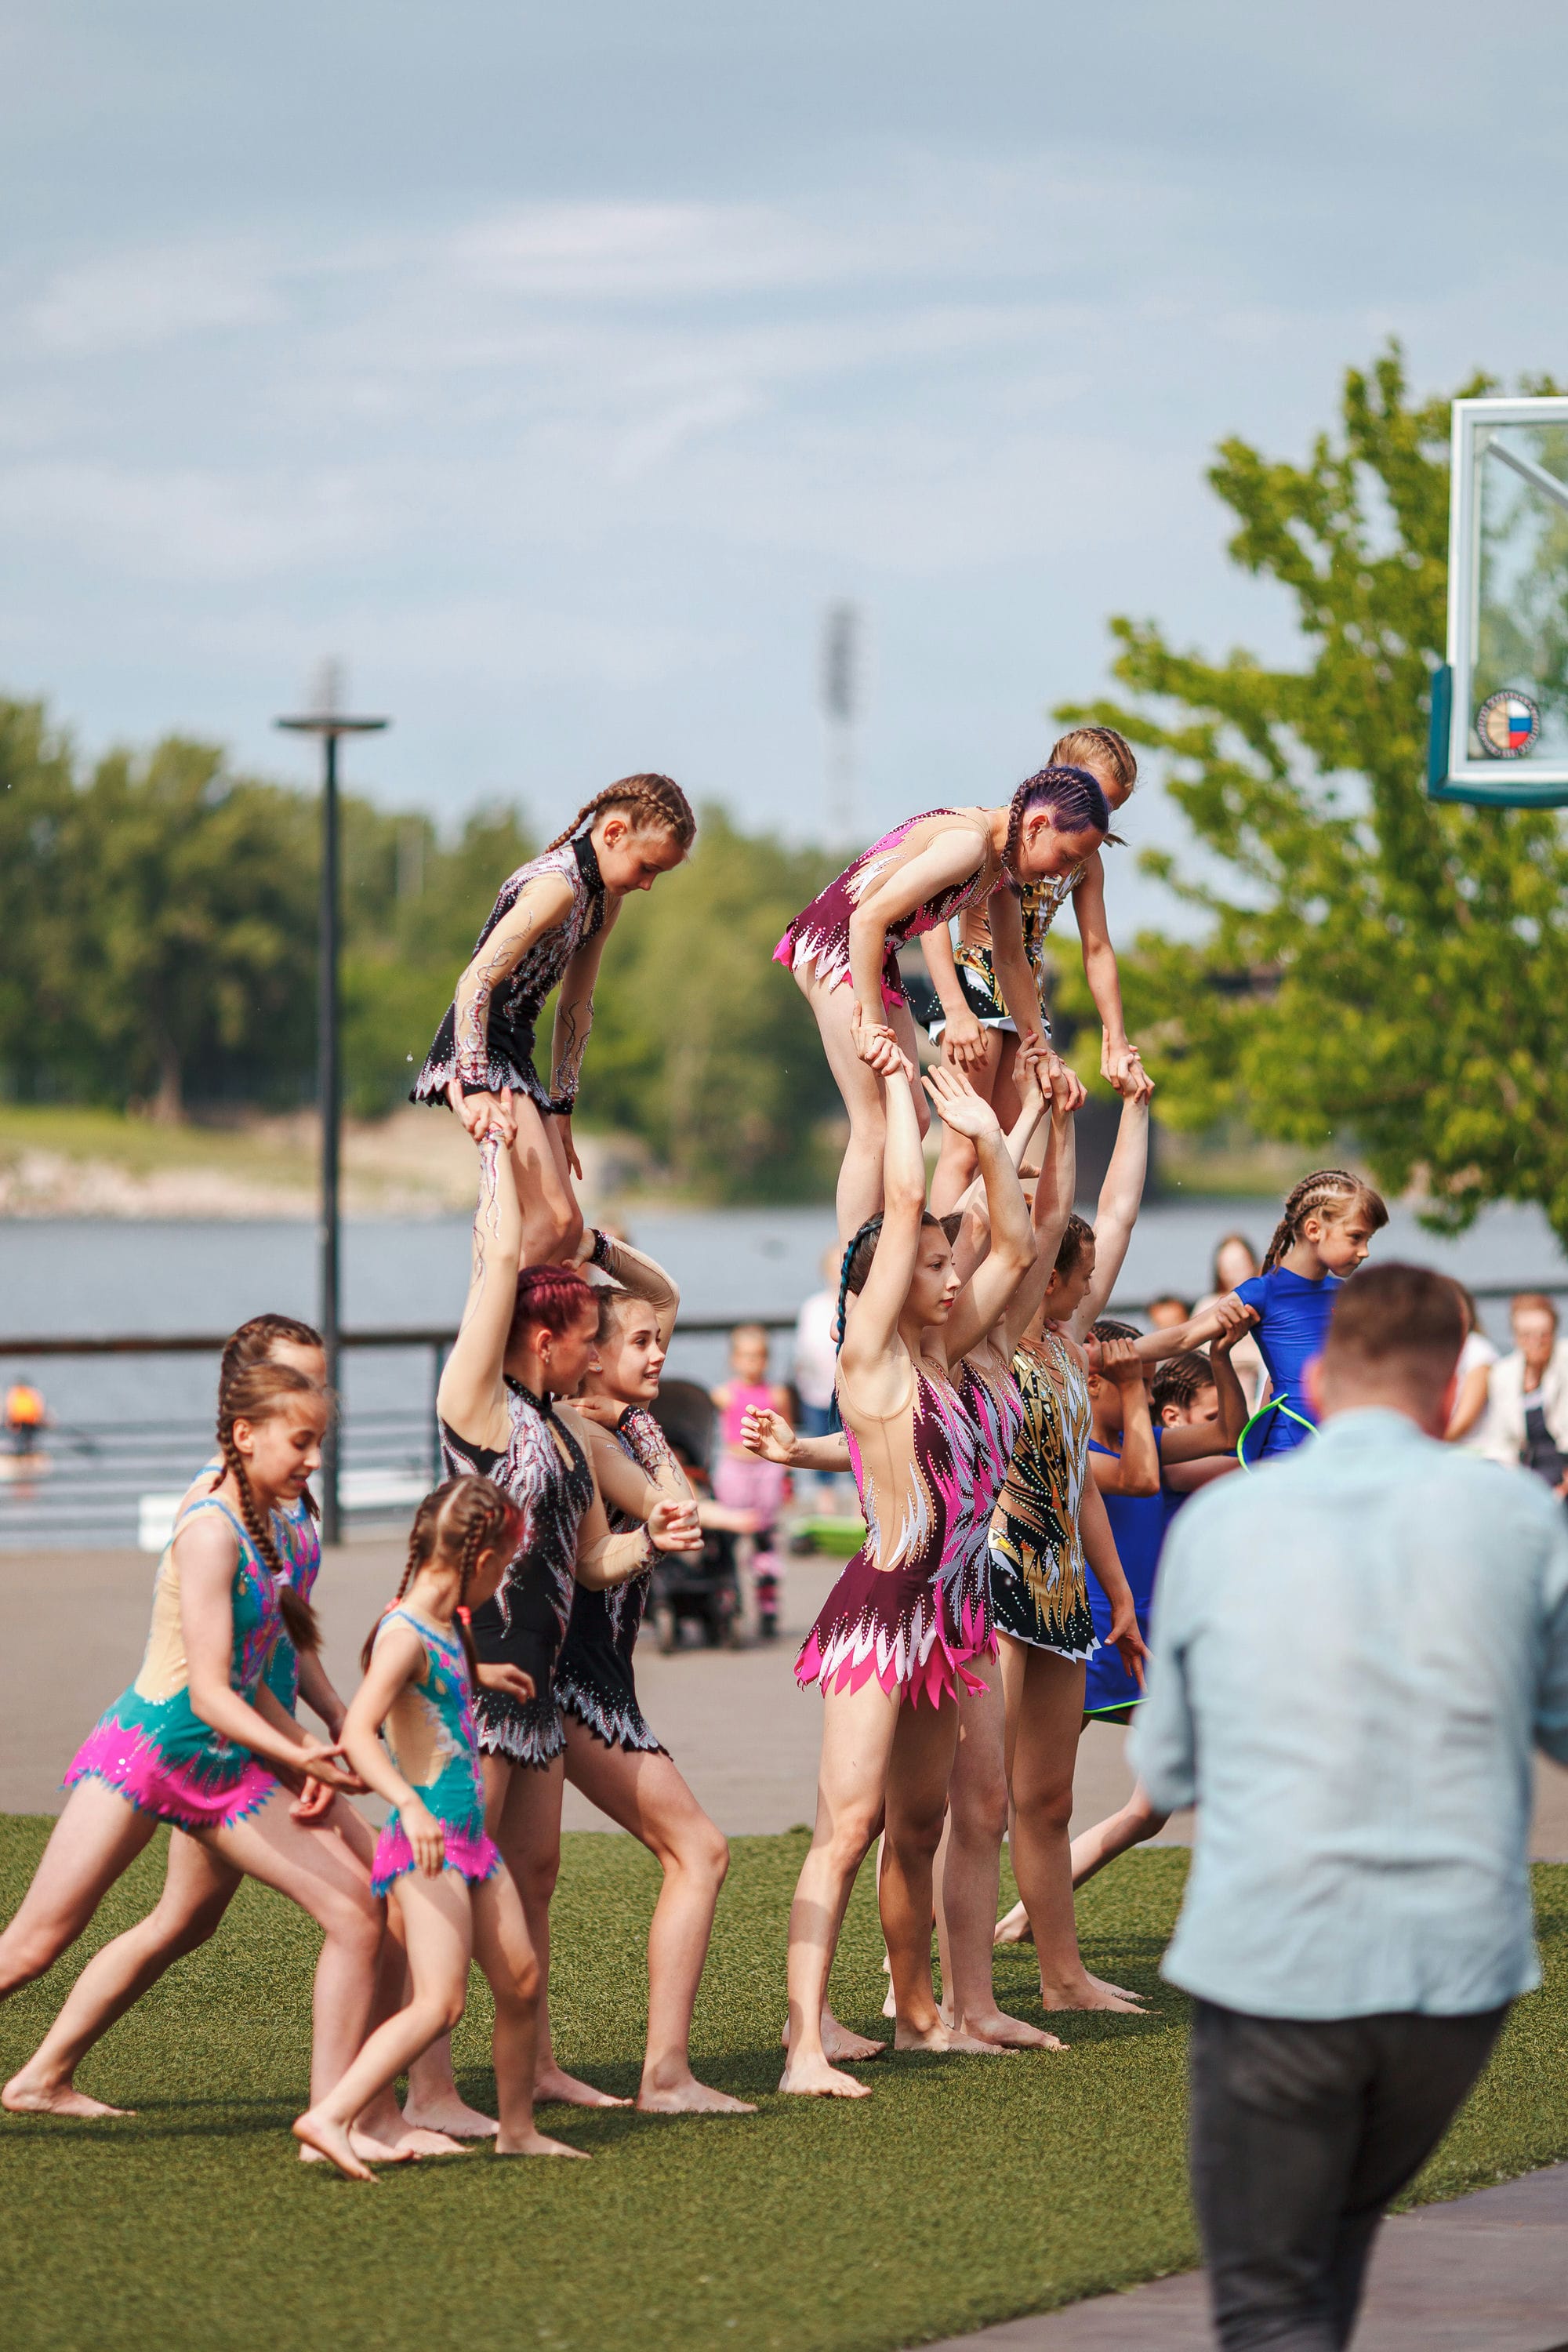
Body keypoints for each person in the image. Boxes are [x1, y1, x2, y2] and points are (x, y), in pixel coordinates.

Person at [1133, 1262, 1568, 2352]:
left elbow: (1169, 1768)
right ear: (1449, 1392)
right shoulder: (1522, 1518)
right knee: (1333, 2253)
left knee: (1271, 2305)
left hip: (1275, 1960)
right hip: (1455, 1974)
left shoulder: (1224, 1524)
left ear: (1318, 1382)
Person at [0, 1363, 384, 2142]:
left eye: (319, 1441)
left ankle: (334, 2117)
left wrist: (311, 1741)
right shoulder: (209, 1530)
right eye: (301, 1441)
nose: (315, 1459)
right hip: (154, 1749)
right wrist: (302, 1756)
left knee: (350, 1909)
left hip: (222, 1763)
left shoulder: (266, 1525)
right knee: (32, 1947)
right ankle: (340, 2115)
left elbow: (254, 1671)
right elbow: (209, 1692)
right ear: (245, 1435)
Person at [780, 1058, 1037, 2096]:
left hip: (951, 1620)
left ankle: (921, 2014)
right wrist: (897, 1094)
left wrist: (993, 1136)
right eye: (931, 1265)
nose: (949, 1278)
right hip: (883, 1613)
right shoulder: (871, 1362)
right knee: (847, 1829)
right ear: (884, 1281)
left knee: (918, 1829)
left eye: (944, 1265)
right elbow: (897, 1200)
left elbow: (1015, 1246)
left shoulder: (945, 1353)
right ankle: (803, 2046)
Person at [437, 1131, 702, 2108]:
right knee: (449, 1875)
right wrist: (497, 1154)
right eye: (589, 1337)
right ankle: (424, 2088)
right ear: (543, 1339)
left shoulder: (563, 1429)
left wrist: (652, 1542)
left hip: (539, 1682)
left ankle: (536, 2070)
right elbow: (496, 1264)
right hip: (473, 1669)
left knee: (534, 1872)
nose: (601, 1354)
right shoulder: (476, 1404)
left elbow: (591, 1562)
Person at [294, 1475, 588, 2177]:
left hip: (470, 1842)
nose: (502, 1581)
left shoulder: (445, 1619)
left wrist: (486, 1675)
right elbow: (360, 1732)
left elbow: (437, 1679)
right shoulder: (403, 1633)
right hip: (426, 1845)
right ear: (479, 1559)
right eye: (504, 1565)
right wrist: (408, 1803)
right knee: (439, 2003)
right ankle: (331, 2116)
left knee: (520, 1980)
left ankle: (517, 2131)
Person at [554, 1235, 756, 2116]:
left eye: (657, 1343)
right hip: (574, 1683)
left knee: (525, 1875)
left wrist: (595, 1244)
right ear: (590, 1356)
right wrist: (643, 1434)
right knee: (698, 1849)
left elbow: (662, 1294)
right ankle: (664, 2074)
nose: (658, 1353)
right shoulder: (582, 1432)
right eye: (638, 1344)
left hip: (598, 1679)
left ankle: (532, 2067)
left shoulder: (610, 1424)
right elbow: (670, 1512)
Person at [774, 767, 1106, 1240]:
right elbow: (866, 919)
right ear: (1037, 825)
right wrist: (869, 1022)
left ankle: (890, 1248)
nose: (1064, 873)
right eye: (1067, 856)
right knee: (876, 1125)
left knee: (914, 1118)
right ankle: (857, 1268)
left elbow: (1010, 960)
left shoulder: (1002, 869)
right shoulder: (968, 845)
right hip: (835, 945)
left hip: (876, 955)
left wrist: (1043, 1053)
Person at [987, 1083, 1152, 2013]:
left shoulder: (1063, 1347)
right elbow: (1043, 1218)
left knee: (1045, 1799)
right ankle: (921, 1983)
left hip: (1062, 1585)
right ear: (1043, 1277)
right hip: (1000, 1577)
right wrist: (1047, 1117)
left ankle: (1062, 1978)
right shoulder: (999, 1339)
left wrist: (1116, 1590)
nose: (1091, 1290)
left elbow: (1079, 1480)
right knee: (974, 1796)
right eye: (1078, 1278)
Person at [411, 775, 695, 1263]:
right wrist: (475, 1086)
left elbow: (576, 1006)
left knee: (567, 1231)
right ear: (614, 833)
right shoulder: (556, 887)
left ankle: (532, 1309)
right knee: (552, 1224)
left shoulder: (604, 901)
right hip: (478, 1049)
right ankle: (498, 1316)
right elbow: (474, 981)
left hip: (515, 1054)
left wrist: (562, 1107)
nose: (648, 884)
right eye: (647, 867)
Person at [924, 726, 1145, 1215]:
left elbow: (1097, 949)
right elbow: (931, 913)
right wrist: (956, 1009)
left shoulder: (1084, 861)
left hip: (1028, 995)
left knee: (1008, 1148)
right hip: (978, 983)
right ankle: (940, 1253)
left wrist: (1115, 1035)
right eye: (1096, 796)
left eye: (1111, 809)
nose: (1099, 813)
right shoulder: (1000, 835)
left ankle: (985, 1257)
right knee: (965, 1149)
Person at [1133, 1170, 1388, 1458]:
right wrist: (1104, 1355)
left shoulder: (1345, 1295)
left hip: (1340, 1446)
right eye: (1356, 1237)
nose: (1365, 1251)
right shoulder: (1263, 1293)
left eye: (1368, 1240)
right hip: (1286, 1452)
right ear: (1314, 1230)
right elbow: (1184, 1337)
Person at [711, 1323, 792, 1639]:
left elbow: (788, 1438)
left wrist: (788, 1479)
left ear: (767, 1359)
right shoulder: (723, 1394)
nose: (752, 1363)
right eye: (745, 1356)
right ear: (734, 1359)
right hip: (734, 1469)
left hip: (766, 1470)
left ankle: (767, 1602)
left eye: (758, 1356)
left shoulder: (777, 1394)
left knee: (764, 1538)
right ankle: (728, 1597)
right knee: (729, 1536)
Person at [1476, 1293, 1568, 1495]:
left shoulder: (1565, 1361)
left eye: (1544, 1335)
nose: (1536, 1342)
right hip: (1526, 1466)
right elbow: (1501, 1439)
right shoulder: (1504, 1373)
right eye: (1527, 1335)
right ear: (1515, 1337)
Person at [1194, 1232, 1267, 1411]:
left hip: (1259, 1395)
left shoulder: (1266, 1306)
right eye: (1228, 1266)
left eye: (1240, 1264)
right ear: (1219, 1271)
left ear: (1252, 1264)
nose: (1235, 1272)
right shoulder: (1208, 1306)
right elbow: (1198, 1357)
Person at [792, 1247, 843, 1504]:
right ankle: (826, 1498)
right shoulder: (812, 1306)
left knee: (855, 1446)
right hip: (814, 1391)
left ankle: (860, 1499)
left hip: (848, 1393)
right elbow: (802, 1346)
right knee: (820, 1440)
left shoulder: (858, 1304)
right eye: (834, 1266)